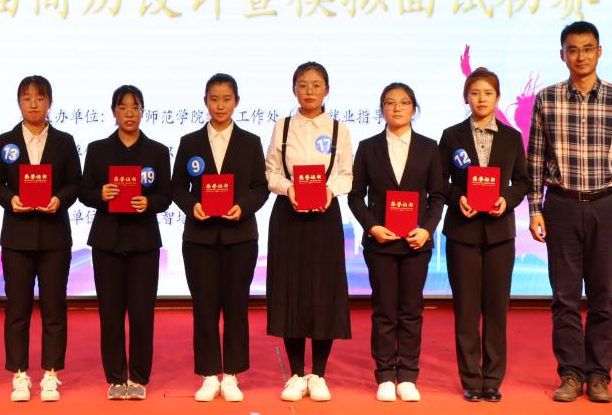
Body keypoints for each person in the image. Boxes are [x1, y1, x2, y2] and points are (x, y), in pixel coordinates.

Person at [527, 21, 612, 404]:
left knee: (602, 296)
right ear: (562, 55)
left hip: (606, 205)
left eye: (587, 48)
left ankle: (598, 376)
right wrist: (535, 209)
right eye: (572, 49)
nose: (580, 56)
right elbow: (535, 159)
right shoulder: (546, 99)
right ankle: (570, 374)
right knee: (563, 296)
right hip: (560, 205)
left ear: (599, 51)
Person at [171, 73, 269, 402]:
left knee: (237, 306)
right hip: (199, 239)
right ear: (205, 102)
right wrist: (192, 206)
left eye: (226, 99)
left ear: (236, 102)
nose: (220, 105)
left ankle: (233, 375)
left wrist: (243, 207)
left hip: (240, 237)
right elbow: (176, 186)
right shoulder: (190, 142)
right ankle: (209, 374)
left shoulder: (250, 142)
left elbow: (260, 187)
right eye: (214, 99)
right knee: (204, 307)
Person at [349, 82, 444, 403]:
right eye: (390, 103)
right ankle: (386, 374)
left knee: (411, 310)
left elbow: (437, 196)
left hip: (416, 243)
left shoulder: (429, 148)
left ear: (414, 109)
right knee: (384, 310)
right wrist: (372, 227)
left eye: (404, 102)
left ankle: (408, 375)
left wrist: (427, 229)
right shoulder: (368, 147)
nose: (397, 108)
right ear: (382, 110)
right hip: (381, 243)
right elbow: (355, 196)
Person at [438, 68, 529, 403]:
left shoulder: (512, 137)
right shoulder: (451, 136)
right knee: (466, 310)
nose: (481, 99)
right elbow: (438, 181)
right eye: (475, 93)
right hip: (462, 233)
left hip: (499, 234)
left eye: (488, 93)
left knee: (495, 310)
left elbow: (523, 180)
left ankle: (492, 379)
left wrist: (507, 200)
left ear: (497, 97)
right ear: (466, 97)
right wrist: (457, 198)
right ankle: (471, 379)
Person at [264, 62, 353, 402]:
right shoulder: (282, 126)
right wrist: (289, 189)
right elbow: (271, 171)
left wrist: (329, 191)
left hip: (325, 216)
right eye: (303, 85)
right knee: (291, 291)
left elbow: (346, 174)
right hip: (288, 215)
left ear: (327, 90)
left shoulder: (338, 129)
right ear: (294, 89)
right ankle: (296, 373)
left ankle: (319, 374)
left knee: (322, 292)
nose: (310, 91)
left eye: (316, 85)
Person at [0, 75, 82, 402]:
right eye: (27, 98)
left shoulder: (64, 141)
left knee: (54, 308)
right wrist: (10, 199)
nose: (33, 104)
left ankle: (51, 374)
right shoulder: (6, 141)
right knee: (17, 308)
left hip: (55, 237)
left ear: (50, 102)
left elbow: (75, 183)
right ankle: (19, 374)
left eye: (40, 98)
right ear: (18, 102)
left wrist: (59, 199)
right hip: (17, 237)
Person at [79, 85, 173, 401]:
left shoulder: (157, 151)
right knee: (111, 313)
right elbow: (84, 191)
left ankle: (139, 376)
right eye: (123, 107)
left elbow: (166, 195)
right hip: (107, 241)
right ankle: (116, 377)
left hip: (144, 242)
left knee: (142, 314)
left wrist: (149, 202)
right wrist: (100, 194)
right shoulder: (98, 150)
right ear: (114, 112)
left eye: (135, 107)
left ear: (143, 111)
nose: (129, 113)